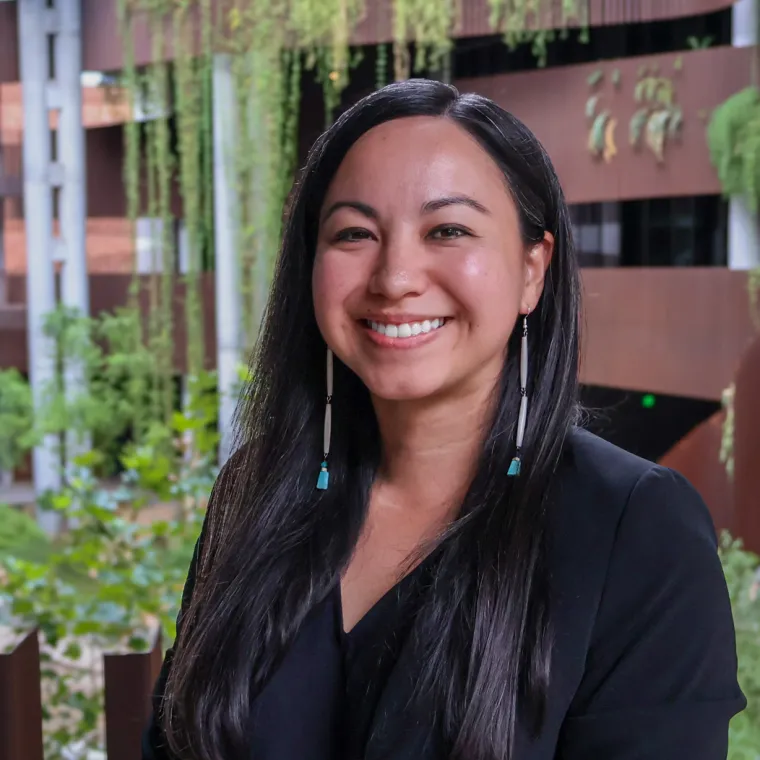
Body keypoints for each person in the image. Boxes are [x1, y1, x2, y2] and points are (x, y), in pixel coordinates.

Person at [142, 79, 744, 760]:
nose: (395, 276)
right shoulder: (258, 491)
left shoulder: (634, 527)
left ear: (531, 269)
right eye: (354, 233)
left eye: (448, 230)